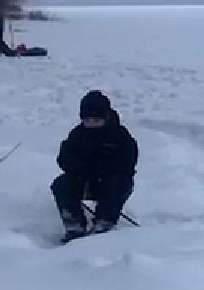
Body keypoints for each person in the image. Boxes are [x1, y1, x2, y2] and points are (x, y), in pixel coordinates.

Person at [52, 90, 139, 241]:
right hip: (84, 181)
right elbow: (64, 157)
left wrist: (104, 169)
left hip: (111, 184)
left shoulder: (120, 136)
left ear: (106, 117)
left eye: (96, 120)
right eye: (88, 120)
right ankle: (74, 223)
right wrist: (76, 168)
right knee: (61, 184)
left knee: (117, 183)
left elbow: (127, 163)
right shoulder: (78, 135)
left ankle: (104, 222)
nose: (92, 124)